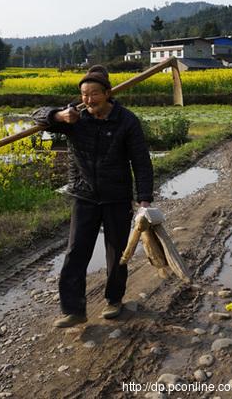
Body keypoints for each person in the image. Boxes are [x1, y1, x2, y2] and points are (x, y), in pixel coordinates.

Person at [32, 65, 153, 327]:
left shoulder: (126, 121)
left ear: (108, 93)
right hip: (84, 194)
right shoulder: (75, 120)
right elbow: (36, 116)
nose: (88, 100)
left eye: (94, 94)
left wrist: (144, 200)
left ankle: (114, 299)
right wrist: (58, 116)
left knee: (117, 252)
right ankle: (73, 310)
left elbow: (141, 162)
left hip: (116, 196)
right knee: (76, 251)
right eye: (84, 95)